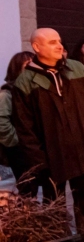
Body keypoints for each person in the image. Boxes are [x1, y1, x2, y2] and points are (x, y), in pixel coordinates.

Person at [12, 28, 84, 242]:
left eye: (60, 41)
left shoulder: (77, 69)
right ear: (37, 47)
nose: (59, 46)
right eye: (52, 42)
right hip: (51, 154)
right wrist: (37, 160)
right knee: (54, 201)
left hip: (83, 147)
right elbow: (25, 128)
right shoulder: (26, 81)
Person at [0, 52, 35, 194]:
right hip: (19, 149)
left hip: (34, 146)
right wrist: (16, 141)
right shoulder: (7, 93)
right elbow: (2, 122)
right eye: (27, 65)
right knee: (27, 188)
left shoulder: (33, 89)